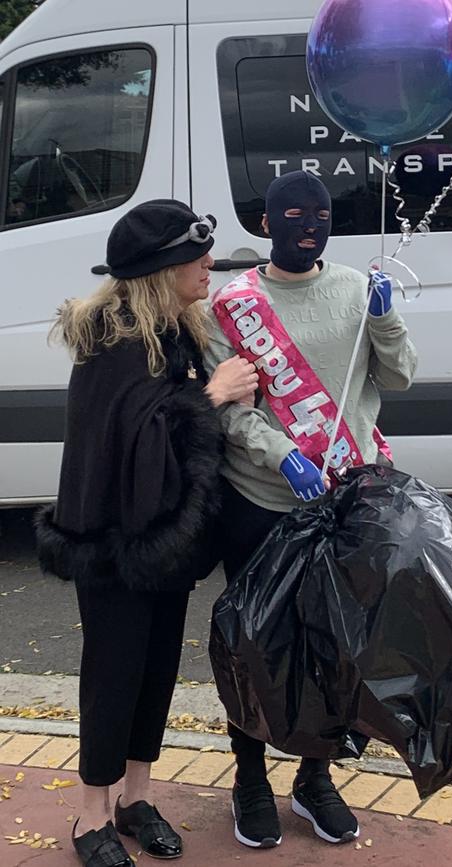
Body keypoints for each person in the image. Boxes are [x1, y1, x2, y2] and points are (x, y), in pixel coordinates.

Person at [35, 199, 258, 867]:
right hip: (111, 543)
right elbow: (140, 435)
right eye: (197, 258)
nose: (208, 266)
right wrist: (210, 395)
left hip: (161, 539)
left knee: (157, 667)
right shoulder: (115, 339)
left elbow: (163, 432)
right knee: (114, 672)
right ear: (164, 269)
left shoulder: (175, 328)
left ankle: (135, 797)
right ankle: (91, 816)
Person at [205, 170, 417, 849]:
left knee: (336, 646)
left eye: (320, 214)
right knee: (255, 644)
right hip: (262, 503)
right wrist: (281, 454)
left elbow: (400, 376)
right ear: (266, 225)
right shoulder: (233, 304)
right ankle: (248, 777)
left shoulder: (356, 287)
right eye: (292, 214)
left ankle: (315, 777)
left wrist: (385, 317)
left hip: (347, 498)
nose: (308, 225)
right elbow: (233, 411)